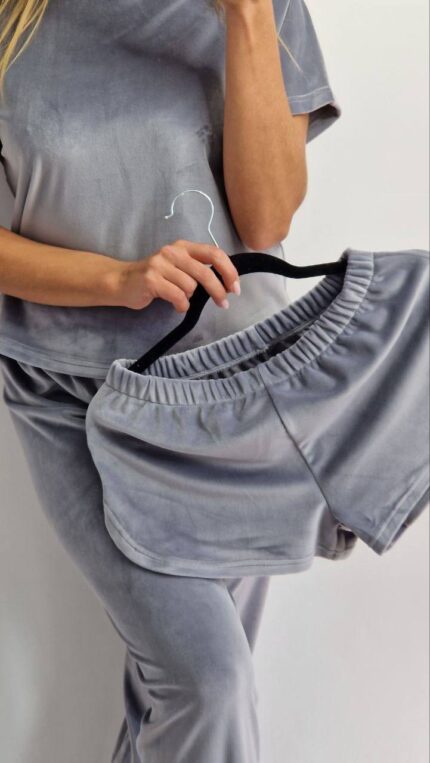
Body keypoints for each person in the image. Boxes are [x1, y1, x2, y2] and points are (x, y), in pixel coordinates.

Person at [0, 1, 341, 760]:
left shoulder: (269, 8)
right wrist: (118, 278)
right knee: (205, 682)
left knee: (181, 695)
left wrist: (246, 18)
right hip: (71, 393)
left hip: (234, 396)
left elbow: (266, 220)